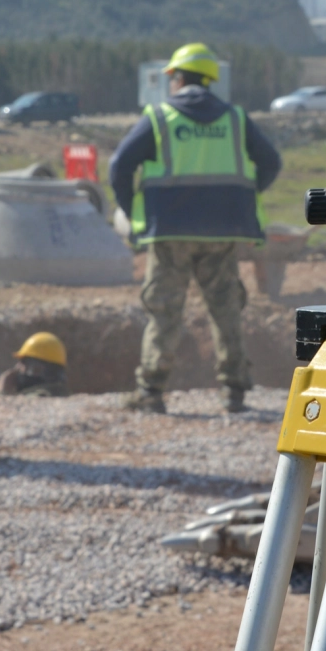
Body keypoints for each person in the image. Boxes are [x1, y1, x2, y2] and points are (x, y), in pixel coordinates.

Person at [109, 43, 282, 415]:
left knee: (164, 310)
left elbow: (119, 165)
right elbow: (271, 162)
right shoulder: (234, 118)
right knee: (226, 310)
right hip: (222, 231)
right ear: (210, 80)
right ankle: (234, 393)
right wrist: (242, 197)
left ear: (177, 77)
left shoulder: (159, 117)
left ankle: (151, 392)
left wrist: (133, 211)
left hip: (169, 232)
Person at [0, 332, 69, 397]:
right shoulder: (62, 393)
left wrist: (2, 393)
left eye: (23, 362)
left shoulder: (40, 396)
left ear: (36, 369)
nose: (17, 367)